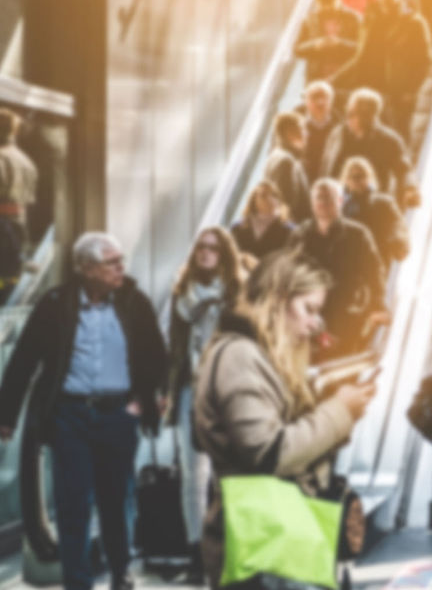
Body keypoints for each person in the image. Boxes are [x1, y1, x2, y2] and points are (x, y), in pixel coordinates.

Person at [193, 251, 377, 588]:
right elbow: (269, 453)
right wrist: (338, 412)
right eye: (309, 309)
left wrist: (340, 412)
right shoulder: (239, 356)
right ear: (277, 300)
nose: (315, 323)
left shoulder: (260, 356)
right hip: (261, 537)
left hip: (275, 532)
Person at [0, 232, 167, 590]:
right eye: (112, 262)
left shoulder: (134, 302)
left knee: (116, 499)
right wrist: (6, 416)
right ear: (87, 268)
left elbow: (156, 355)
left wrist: (143, 402)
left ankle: (121, 571)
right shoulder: (55, 303)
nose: (122, 268)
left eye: (121, 260)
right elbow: (24, 358)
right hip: (70, 417)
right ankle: (77, 582)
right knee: (72, 503)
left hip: (118, 416)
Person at [165, 226, 244, 579]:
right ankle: (197, 553)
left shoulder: (236, 293)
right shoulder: (182, 294)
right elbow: (175, 347)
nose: (206, 253)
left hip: (226, 389)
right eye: (201, 247)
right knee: (192, 475)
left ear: (224, 253)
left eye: (213, 248)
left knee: (226, 471)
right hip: (189, 389)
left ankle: (227, 549)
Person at [331, 0, 432, 145]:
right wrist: (331, 81)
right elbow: (360, 56)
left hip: (397, 95)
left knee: (397, 141)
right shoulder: (370, 18)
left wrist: (411, 91)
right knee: (365, 140)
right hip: (368, 90)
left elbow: (426, 61)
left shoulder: (414, 22)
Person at [287, 179, 387, 357]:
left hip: (343, 316)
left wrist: (378, 305)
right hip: (307, 316)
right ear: (312, 202)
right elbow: (286, 272)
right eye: (319, 198)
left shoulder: (358, 234)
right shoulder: (300, 235)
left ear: (340, 201)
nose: (323, 202)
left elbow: (374, 273)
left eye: (329, 197)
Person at [321, 88, 414, 205]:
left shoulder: (388, 140)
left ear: (368, 117)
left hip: (373, 206)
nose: (349, 119)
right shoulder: (338, 135)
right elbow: (325, 168)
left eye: (353, 114)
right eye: (348, 113)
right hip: (339, 203)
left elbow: (404, 170)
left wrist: (410, 189)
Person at [341, 156, 410, 265]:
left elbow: (397, 225)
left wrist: (399, 242)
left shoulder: (383, 203)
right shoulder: (342, 207)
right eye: (353, 177)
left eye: (361, 176)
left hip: (376, 262)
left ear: (369, 178)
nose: (357, 181)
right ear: (346, 181)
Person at [293, 0, 361, 83]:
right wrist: (314, 45)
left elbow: (363, 48)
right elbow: (297, 49)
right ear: (318, 1)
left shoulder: (353, 18)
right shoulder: (310, 19)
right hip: (316, 78)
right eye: (324, 5)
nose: (327, 8)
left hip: (345, 78)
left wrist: (340, 43)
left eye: (330, 4)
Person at [0, 108, 36, 302]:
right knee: (7, 284)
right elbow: (28, 202)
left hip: (3, 230)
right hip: (18, 230)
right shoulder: (26, 161)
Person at [230, 181, 296, 262]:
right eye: (263, 195)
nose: (270, 199)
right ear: (254, 200)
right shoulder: (237, 228)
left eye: (274, 195)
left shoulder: (290, 230)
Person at [265, 112, 311, 224]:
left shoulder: (275, 155)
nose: (307, 134)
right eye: (302, 129)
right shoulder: (287, 162)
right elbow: (286, 204)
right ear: (290, 134)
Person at [295, 81, 342, 182]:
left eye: (324, 97)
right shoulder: (294, 126)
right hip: (301, 180)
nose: (320, 102)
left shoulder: (340, 128)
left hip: (330, 181)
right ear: (306, 101)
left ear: (331, 101)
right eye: (314, 97)